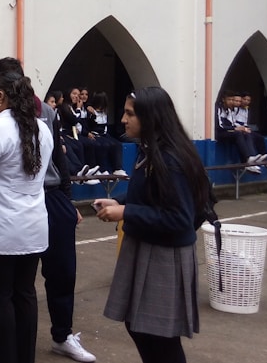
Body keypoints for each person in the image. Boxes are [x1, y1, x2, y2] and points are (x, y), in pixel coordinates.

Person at [95, 87, 211, 363]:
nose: (123, 119)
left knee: (159, 336)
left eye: (130, 114)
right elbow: (151, 194)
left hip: (164, 255)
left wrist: (126, 212)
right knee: (139, 326)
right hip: (145, 246)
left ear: (152, 117)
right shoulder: (150, 149)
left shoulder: (170, 159)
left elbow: (179, 217)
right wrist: (119, 203)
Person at [0, 72, 53, 363]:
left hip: (2, 227)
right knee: (25, 293)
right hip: (34, 225)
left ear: (1, 96)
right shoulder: (42, 128)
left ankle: (5, 357)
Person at [214, 90, 263, 173]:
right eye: (229, 100)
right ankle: (247, 160)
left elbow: (232, 123)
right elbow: (220, 126)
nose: (231, 102)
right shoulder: (219, 109)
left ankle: (250, 160)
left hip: (229, 131)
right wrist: (235, 128)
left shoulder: (230, 110)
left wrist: (241, 128)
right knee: (238, 134)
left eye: (232, 100)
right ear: (223, 99)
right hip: (220, 133)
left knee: (246, 134)